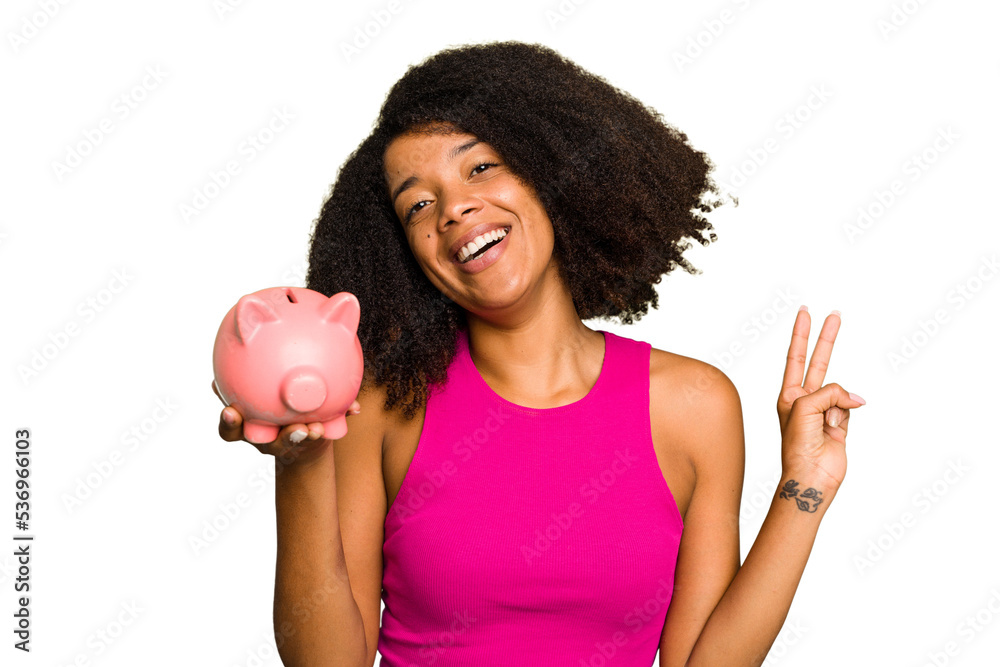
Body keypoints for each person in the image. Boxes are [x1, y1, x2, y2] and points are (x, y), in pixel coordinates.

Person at [214, 41, 865, 666]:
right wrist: (301, 463)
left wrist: (804, 488)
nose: (454, 208)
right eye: (418, 204)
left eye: (480, 168)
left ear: (547, 170)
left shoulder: (694, 406)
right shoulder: (383, 406)